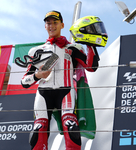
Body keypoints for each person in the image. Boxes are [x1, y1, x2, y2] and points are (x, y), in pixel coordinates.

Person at [21, 10, 99, 150]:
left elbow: (91, 67)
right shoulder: (36, 51)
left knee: (71, 127)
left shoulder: (73, 48)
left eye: (55, 22)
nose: (51, 26)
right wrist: (38, 75)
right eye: (48, 23)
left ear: (62, 25)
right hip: (43, 93)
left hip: (66, 91)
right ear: (45, 26)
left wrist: (90, 43)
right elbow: (24, 82)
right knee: (39, 129)